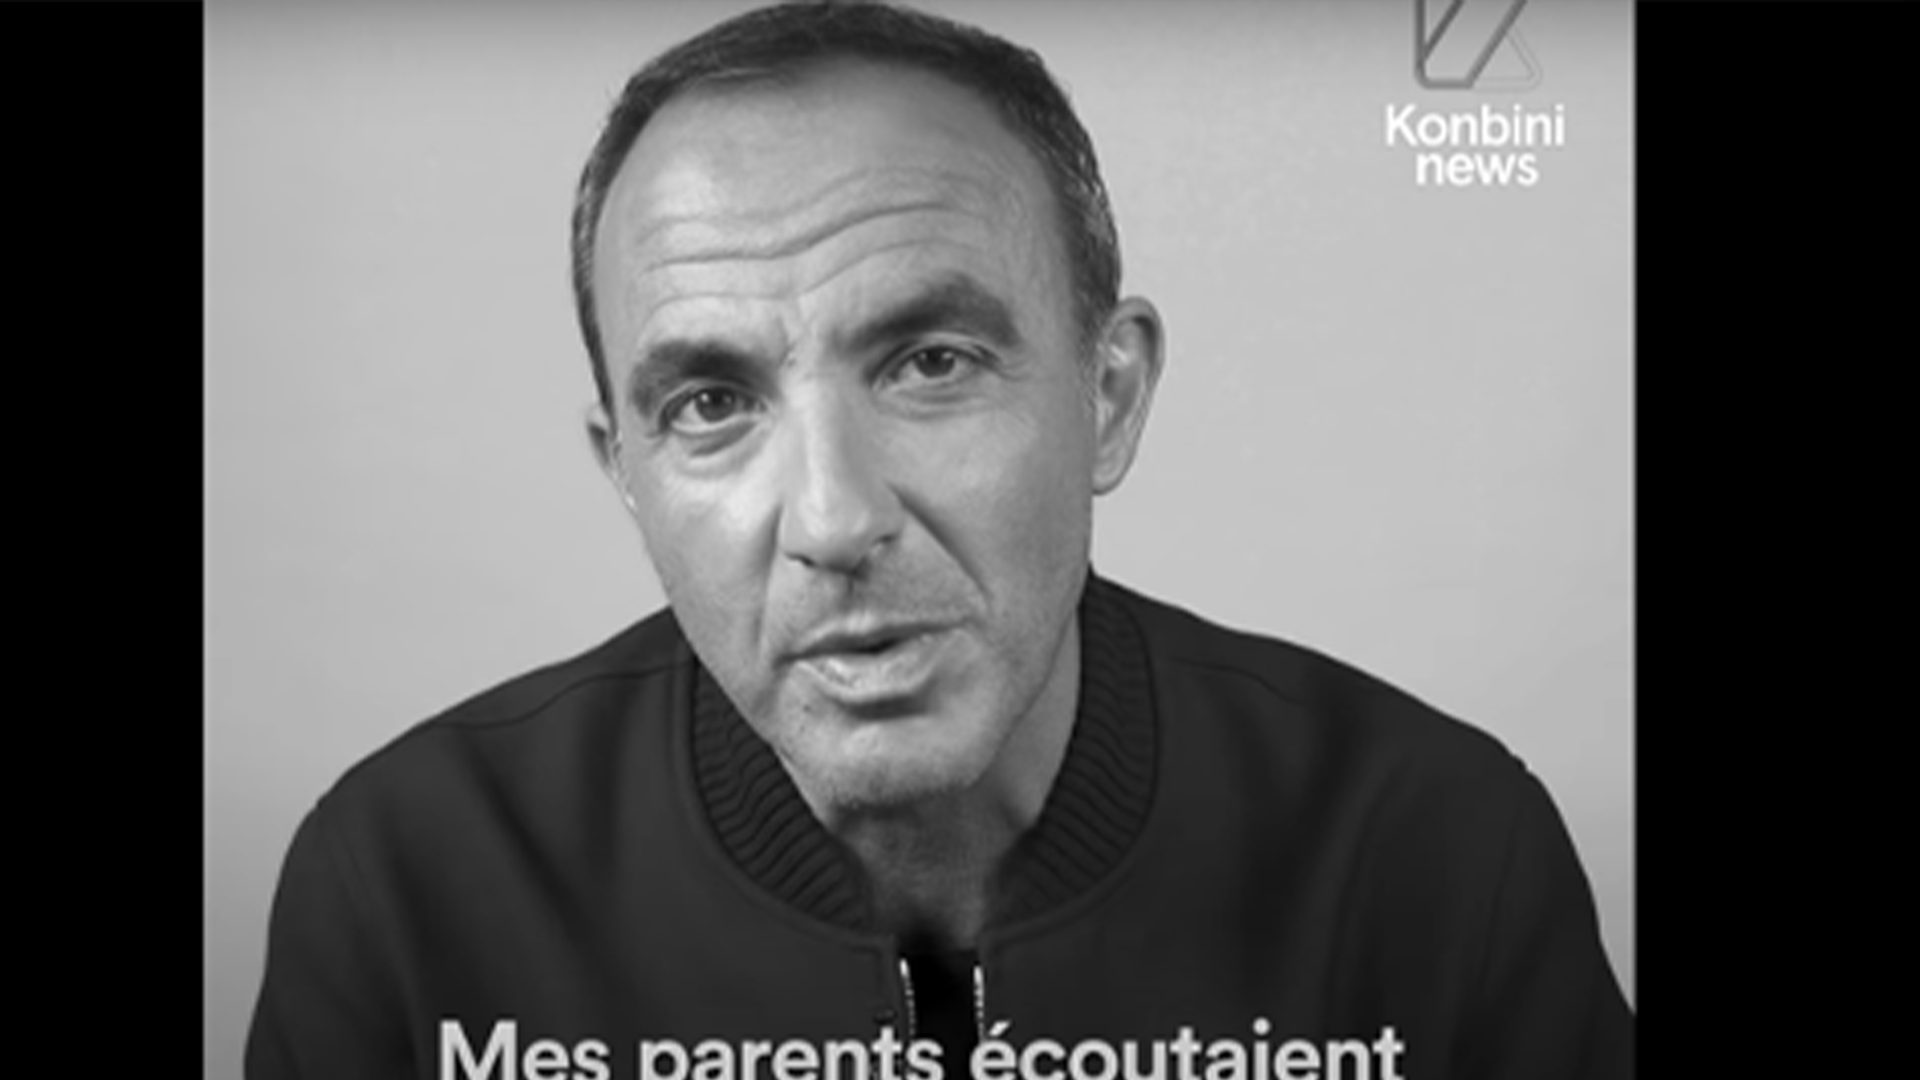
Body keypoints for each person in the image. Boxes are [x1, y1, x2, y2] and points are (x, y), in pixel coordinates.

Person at [246, 3, 1633, 1079]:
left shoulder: (1434, 851)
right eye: (712, 404)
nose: (835, 521)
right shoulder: (409, 887)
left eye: (931, 363)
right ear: (628, 474)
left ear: (1108, 395)